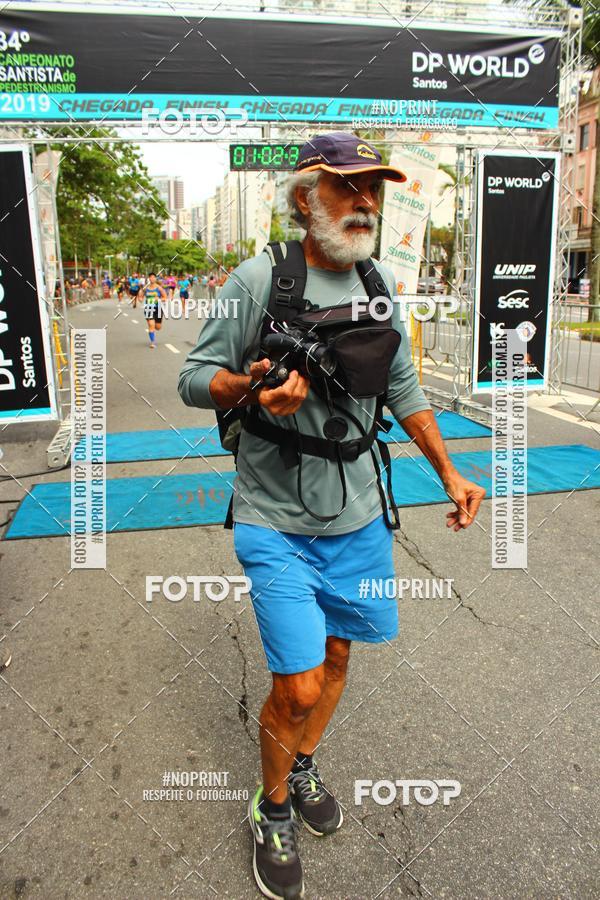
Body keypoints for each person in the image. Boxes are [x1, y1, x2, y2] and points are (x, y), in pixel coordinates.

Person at [178, 132, 485, 900]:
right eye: (348, 189)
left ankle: (302, 762)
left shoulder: (382, 284)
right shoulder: (257, 280)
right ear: (305, 198)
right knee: (301, 686)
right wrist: (248, 388)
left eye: (372, 190)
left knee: (341, 661)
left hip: (357, 519)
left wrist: (450, 472)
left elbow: (405, 390)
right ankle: (271, 804)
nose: (366, 202)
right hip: (274, 517)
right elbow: (192, 378)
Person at [139, 272, 167, 349]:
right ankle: (152, 342)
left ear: (155, 279)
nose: (152, 278)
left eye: (153, 277)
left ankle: (154, 328)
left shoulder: (159, 288)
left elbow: (165, 297)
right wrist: (140, 299)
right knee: (151, 325)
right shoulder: (146, 288)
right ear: (149, 279)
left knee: (158, 327)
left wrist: (159, 299)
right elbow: (140, 296)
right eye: (150, 277)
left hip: (158, 308)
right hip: (148, 308)